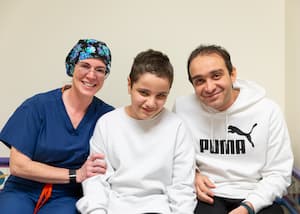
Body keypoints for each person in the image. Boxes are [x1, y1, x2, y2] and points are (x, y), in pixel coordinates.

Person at [173, 44, 294, 214]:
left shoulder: (268, 110)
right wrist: (193, 173)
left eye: (216, 75)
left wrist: (248, 207)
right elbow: (177, 156)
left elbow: (279, 173)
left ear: (232, 74)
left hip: (256, 193)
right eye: (199, 80)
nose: (209, 87)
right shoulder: (183, 108)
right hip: (210, 193)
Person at [0, 39, 114, 214]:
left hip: (67, 195)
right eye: (85, 66)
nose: (92, 75)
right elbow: (18, 165)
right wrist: (76, 174)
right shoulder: (37, 107)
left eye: (100, 70)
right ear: (71, 67)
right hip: (22, 190)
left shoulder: (107, 117)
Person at [76, 49, 196, 214]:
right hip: (114, 208)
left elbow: (182, 187)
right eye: (144, 93)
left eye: (161, 96)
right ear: (129, 84)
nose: (151, 103)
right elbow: (96, 180)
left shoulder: (177, 127)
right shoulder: (107, 124)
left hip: (159, 209)